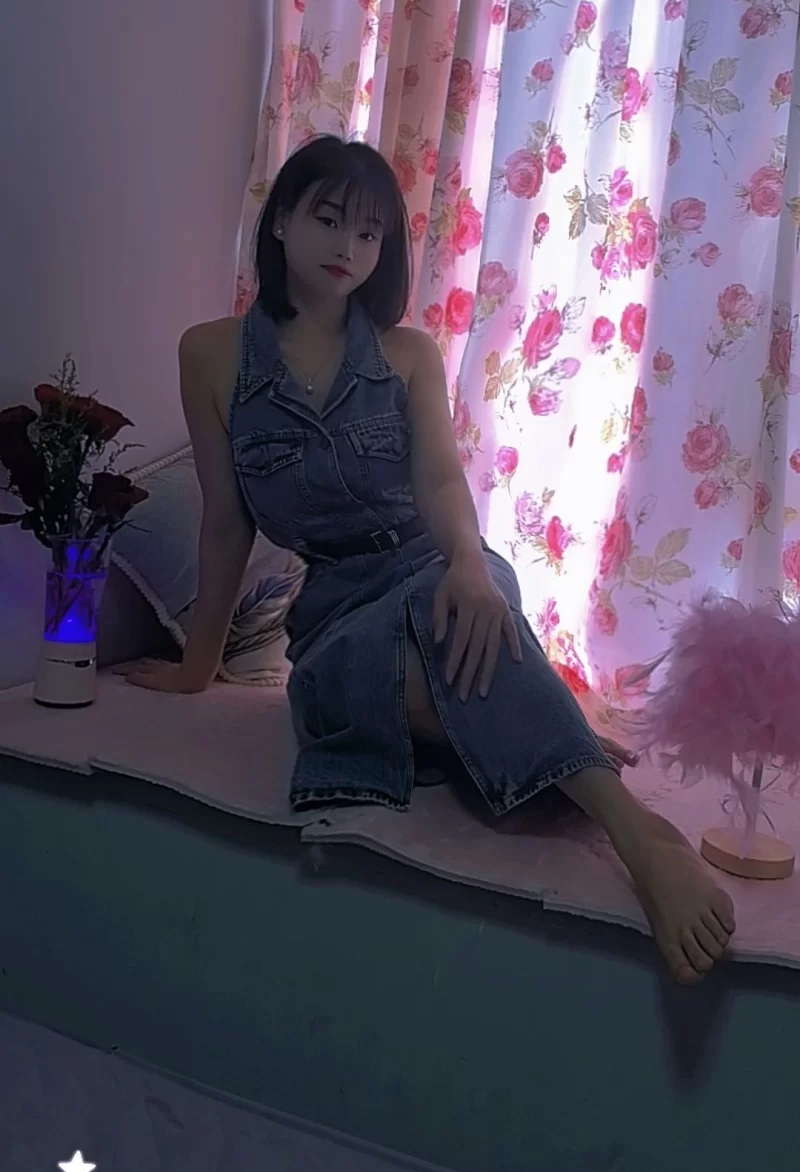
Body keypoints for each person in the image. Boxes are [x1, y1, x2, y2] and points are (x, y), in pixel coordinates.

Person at [127, 134, 735, 985]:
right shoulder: (210, 354)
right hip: (337, 609)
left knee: (464, 632)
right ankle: (557, 727)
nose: (349, 246)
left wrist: (471, 566)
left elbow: (442, 480)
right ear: (281, 222)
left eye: (370, 232)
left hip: (435, 562)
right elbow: (226, 523)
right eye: (329, 219)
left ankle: (638, 837)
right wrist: (199, 668)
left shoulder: (407, 354)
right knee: (417, 680)